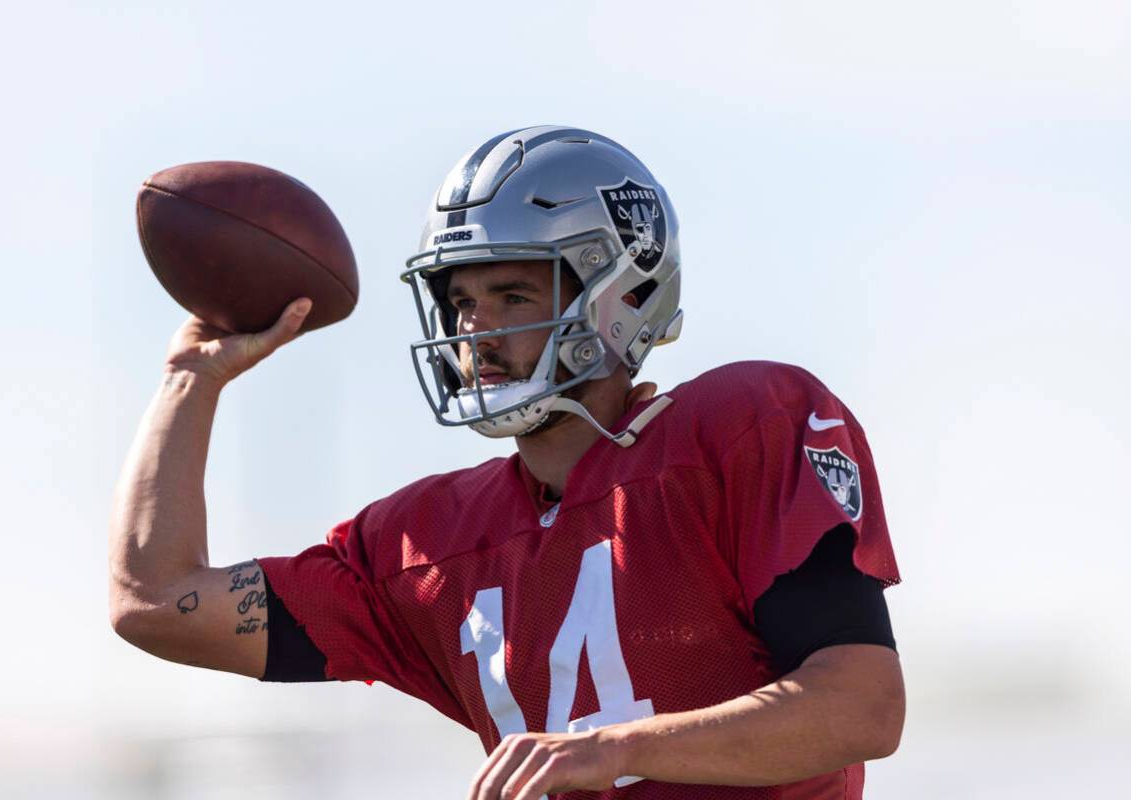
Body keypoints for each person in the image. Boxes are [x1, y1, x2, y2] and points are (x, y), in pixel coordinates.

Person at [109, 126, 905, 800]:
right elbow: (156, 602)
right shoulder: (424, 543)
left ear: (621, 292)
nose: (475, 333)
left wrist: (614, 749)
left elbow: (860, 706)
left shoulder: (739, 429)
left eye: (514, 297)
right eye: (460, 302)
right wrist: (191, 382)